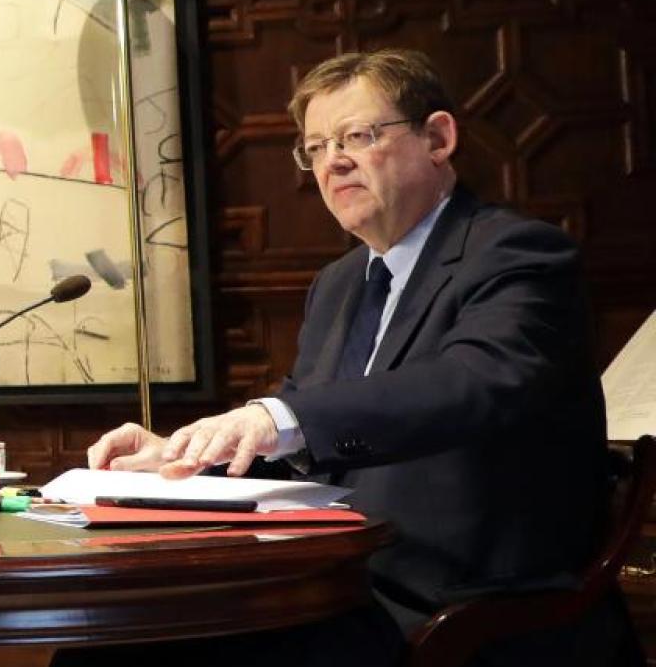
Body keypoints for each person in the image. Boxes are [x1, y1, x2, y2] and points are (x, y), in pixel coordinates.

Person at [73, 50, 624, 667]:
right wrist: (181, 460)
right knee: (104, 639)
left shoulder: (517, 254)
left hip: (461, 603)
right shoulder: (338, 284)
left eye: (358, 136)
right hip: (334, 589)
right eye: (314, 148)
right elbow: (308, 450)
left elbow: (474, 384)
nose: (332, 162)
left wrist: (274, 419)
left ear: (438, 138)